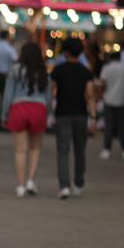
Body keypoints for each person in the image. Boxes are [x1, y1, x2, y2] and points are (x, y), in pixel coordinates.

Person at [0, 41, 50, 198]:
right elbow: (48, 97)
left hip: (19, 107)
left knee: (20, 150)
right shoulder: (43, 71)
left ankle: (20, 185)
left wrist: (4, 114)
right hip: (39, 108)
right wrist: (48, 112)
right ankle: (31, 181)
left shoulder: (15, 70)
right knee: (35, 148)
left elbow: (8, 94)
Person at [50, 37, 97, 199]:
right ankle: (78, 182)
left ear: (65, 52)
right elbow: (90, 95)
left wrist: (50, 110)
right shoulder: (86, 72)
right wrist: (93, 116)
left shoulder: (58, 70)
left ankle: (64, 186)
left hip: (62, 113)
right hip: (81, 115)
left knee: (63, 150)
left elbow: (52, 91)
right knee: (80, 150)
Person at [99, 49, 124, 160]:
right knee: (122, 127)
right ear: (120, 58)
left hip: (108, 100)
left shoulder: (106, 68)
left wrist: (101, 95)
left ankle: (106, 150)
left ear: (110, 58)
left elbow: (102, 84)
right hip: (121, 101)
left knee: (108, 126)